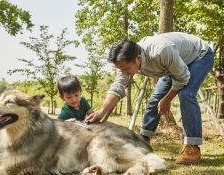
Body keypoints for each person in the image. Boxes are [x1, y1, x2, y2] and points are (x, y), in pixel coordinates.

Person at [86, 32, 214, 164]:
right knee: (155, 100)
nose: (124, 72)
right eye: (121, 69)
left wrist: (167, 100)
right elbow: (118, 86)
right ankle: (143, 143)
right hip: (173, 64)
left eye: (126, 69)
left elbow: (183, 77)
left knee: (186, 94)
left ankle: (192, 147)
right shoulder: (123, 62)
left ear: (137, 58)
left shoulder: (161, 51)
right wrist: (101, 112)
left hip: (199, 56)